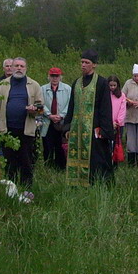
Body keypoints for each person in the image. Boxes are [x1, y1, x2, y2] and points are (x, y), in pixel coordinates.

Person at [0, 57, 44, 188]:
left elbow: (41, 109)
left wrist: (34, 110)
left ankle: (26, 190)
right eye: (16, 66)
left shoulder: (34, 85)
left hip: (26, 130)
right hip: (6, 130)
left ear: (26, 68)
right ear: (12, 68)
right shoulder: (3, 85)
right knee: (9, 163)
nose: (19, 68)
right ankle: (10, 190)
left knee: (26, 162)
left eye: (22, 66)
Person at [65, 49, 115, 185]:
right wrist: (67, 126)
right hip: (77, 129)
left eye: (87, 62)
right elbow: (71, 106)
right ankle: (77, 182)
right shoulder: (76, 83)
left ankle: (97, 183)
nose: (83, 65)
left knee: (97, 157)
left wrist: (104, 129)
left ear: (94, 64)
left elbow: (106, 107)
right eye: (82, 62)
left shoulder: (101, 83)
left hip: (95, 126)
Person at [41, 67, 72, 169]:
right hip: (47, 121)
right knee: (47, 146)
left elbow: (70, 104)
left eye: (57, 76)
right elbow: (40, 104)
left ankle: (61, 167)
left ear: (60, 77)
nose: (54, 78)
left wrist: (61, 115)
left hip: (62, 122)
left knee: (61, 145)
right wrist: (49, 115)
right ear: (49, 76)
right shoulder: (42, 89)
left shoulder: (67, 89)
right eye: (52, 76)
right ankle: (48, 167)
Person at [109, 75, 127, 166]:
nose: (112, 87)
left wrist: (117, 122)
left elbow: (122, 110)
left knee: (116, 144)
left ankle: (115, 163)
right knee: (108, 144)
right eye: (110, 85)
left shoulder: (122, 95)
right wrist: (109, 122)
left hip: (118, 124)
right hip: (108, 123)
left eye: (114, 85)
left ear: (117, 85)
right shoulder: (105, 95)